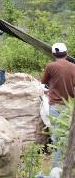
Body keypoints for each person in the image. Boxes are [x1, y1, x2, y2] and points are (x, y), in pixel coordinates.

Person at [41, 42, 75, 170]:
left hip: (55, 106)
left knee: (56, 137)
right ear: (66, 53)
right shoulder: (73, 67)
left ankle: (56, 167)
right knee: (68, 136)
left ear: (53, 53)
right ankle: (67, 165)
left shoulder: (51, 66)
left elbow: (43, 82)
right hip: (69, 107)